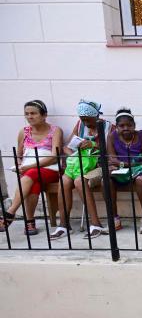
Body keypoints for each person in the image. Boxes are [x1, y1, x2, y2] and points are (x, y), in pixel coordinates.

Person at [49, 100, 113, 241]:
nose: (84, 122)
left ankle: (96, 224)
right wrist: (71, 153)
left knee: (79, 181)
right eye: (81, 119)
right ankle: (64, 226)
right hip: (79, 165)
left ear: (95, 116)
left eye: (87, 119)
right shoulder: (80, 125)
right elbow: (67, 146)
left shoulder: (109, 128)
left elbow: (111, 152)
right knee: (64, 181)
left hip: (99, 166)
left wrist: (94, 144)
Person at [0, 100, 63, 235]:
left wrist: (29, 166)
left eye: (33, 113)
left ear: (44, 115)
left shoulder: (55, 131)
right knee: (34, 183)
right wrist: (19, 165)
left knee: (32, 173)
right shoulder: (24, 132)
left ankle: (10, 212)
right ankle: (30, 223)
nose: (30, 117)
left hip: (51, 169)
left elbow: (54, 157)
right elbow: (19, 154)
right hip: (29, 172)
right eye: (27, 114)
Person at [107, 107, 142, 234]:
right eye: (122, 125)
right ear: (116, 127)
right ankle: (115, 220)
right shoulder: (111, 137)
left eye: (129, 125)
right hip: (123, 172)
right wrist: (130, 163)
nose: (126, 128)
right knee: (106, 180)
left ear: (134, 125)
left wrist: (124, 163)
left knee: (141, 180)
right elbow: (112, 160)